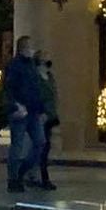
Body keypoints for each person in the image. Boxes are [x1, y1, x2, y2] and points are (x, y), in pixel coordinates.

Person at [2, 35, 45, 193]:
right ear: (22, 49)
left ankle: (22, 171)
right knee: (17, 146)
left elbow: (36, 88)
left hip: (33, 111)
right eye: (29, 47)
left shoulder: (32, 65)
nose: (32, 50)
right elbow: (8, 89)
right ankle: (13, 179)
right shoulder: (14, 66)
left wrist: (41, 109)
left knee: (40, 142)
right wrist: (15, 106)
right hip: (19, 112)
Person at [34, 51, 60, 191]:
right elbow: (34, 96)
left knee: (46, 147)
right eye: (45, 59)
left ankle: (41, 176)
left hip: (49, 116)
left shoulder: (49, 76)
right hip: (39, 116)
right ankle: (41, 177)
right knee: (41, 147)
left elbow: (54, 95)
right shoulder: (35, 78)